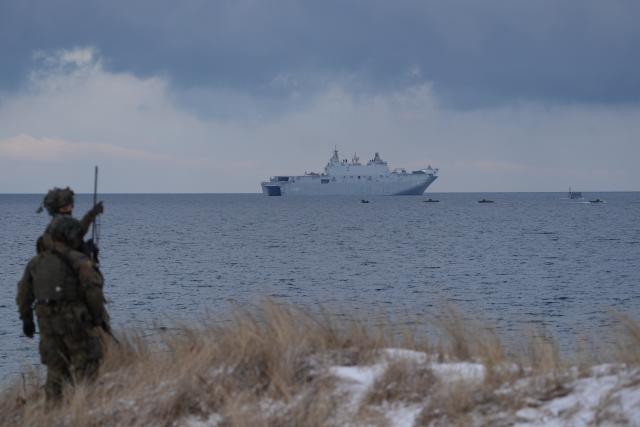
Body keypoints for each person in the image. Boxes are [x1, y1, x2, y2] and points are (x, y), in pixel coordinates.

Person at [16, 216, 110, 402]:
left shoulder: (36, 262)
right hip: (73, 319)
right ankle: (85, 408)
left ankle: (53, 412)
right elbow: (93, 291)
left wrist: (27, 321)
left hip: (45, 322)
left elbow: (23, 296)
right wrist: (97, 318)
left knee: (55, 369)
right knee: (86, 363)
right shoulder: (78, 260)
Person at [37, 187, 104, 256]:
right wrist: (91, 214)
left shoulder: (50, 227)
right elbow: (79, 231)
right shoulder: (65, 222)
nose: (71, 208)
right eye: (66, 207)